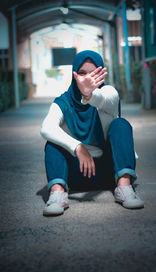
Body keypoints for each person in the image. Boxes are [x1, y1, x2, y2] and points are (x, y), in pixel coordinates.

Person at [40, 50, 144, 216]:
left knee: (121, 125)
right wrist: (78, 147)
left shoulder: (109, 93)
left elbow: (102, 100)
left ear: (102, 73)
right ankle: (57, 193)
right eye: (82, 73)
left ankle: (124, 187)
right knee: (53, 141)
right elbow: (46, 127)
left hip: (108, 172)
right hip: (75, 174)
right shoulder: (64, 101)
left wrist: (89, 93)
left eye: (94, 72)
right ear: (74, 75)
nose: (88, 78)